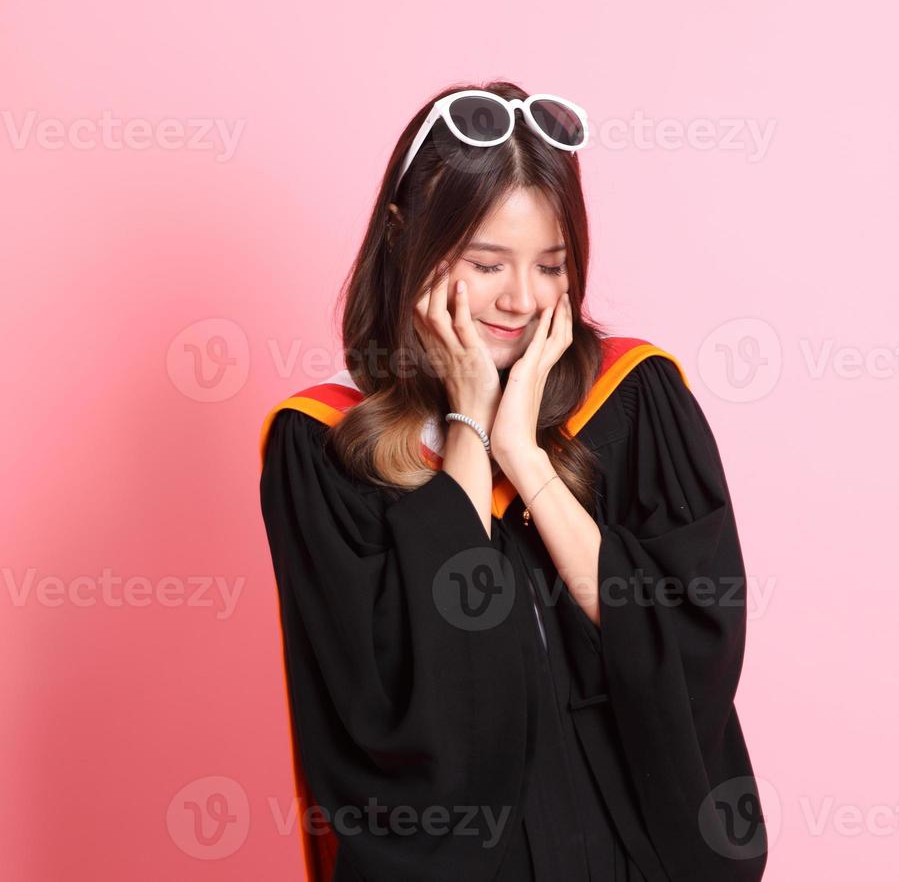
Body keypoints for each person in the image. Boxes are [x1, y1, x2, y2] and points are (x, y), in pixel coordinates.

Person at [258, 80, 768, 881]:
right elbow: (396, 692)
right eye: (486, 263)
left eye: (551, 266)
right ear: (406, 243)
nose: (521, 299)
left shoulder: (634, 397)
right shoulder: (325, 449)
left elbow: (686, 643)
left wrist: (525, 459)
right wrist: (468, 418)